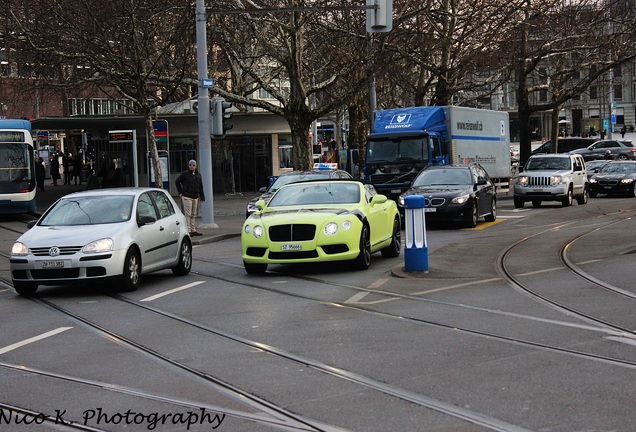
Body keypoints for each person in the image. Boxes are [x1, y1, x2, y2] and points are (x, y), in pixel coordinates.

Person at [175, 159, 205, 236]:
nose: (191, 166)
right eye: (190, 165)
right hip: (187, 196)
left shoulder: (198, 175)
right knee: (188, 214)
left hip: (195, 196)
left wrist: (202, 196)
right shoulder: (185, 174)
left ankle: (193, 229)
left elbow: (200, 186)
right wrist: (180, 192)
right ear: (188, 166)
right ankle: (188, 230)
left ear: (196, 166)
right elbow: (177, 181)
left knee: (193, 214)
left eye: (193, 165)